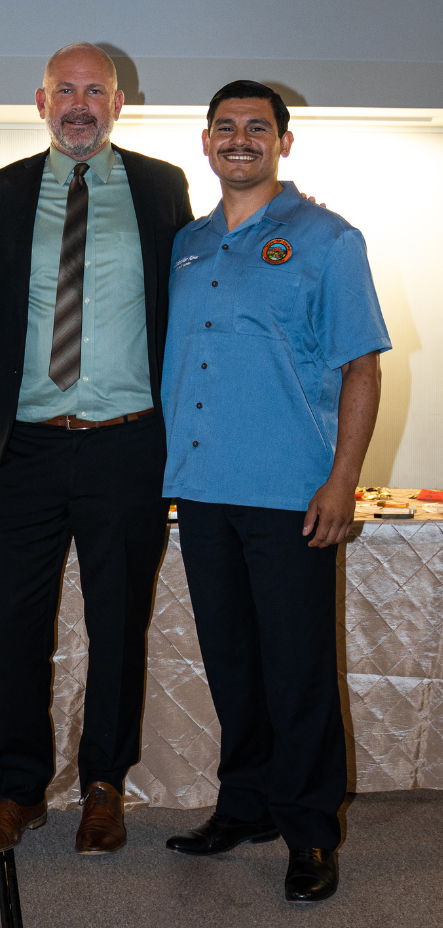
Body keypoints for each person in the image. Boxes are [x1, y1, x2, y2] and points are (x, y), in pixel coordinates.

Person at [0, 42, 193, 855]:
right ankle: (19, 791)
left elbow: (195, 285)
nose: (80, 105)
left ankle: (104, 787)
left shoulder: (161, 186)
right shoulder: (4, 189)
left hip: (128, 445)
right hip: (25, 447)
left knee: (118, 627)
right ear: (41, 102)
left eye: (96, 90)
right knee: (15, 627)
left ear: (119, 104)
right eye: (66, 90)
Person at [161, 80, 390, 903]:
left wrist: (342, 482)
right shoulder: (187, 243)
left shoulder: (329, 238)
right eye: (225, 127)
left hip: (290, 492)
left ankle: (310, 830)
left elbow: (361, 368)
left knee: (297, 670)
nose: (240, 139)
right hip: (202, 490)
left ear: (283, 142)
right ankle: (245, 804)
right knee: (232, 664)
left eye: (258, 127)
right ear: (206, 141)